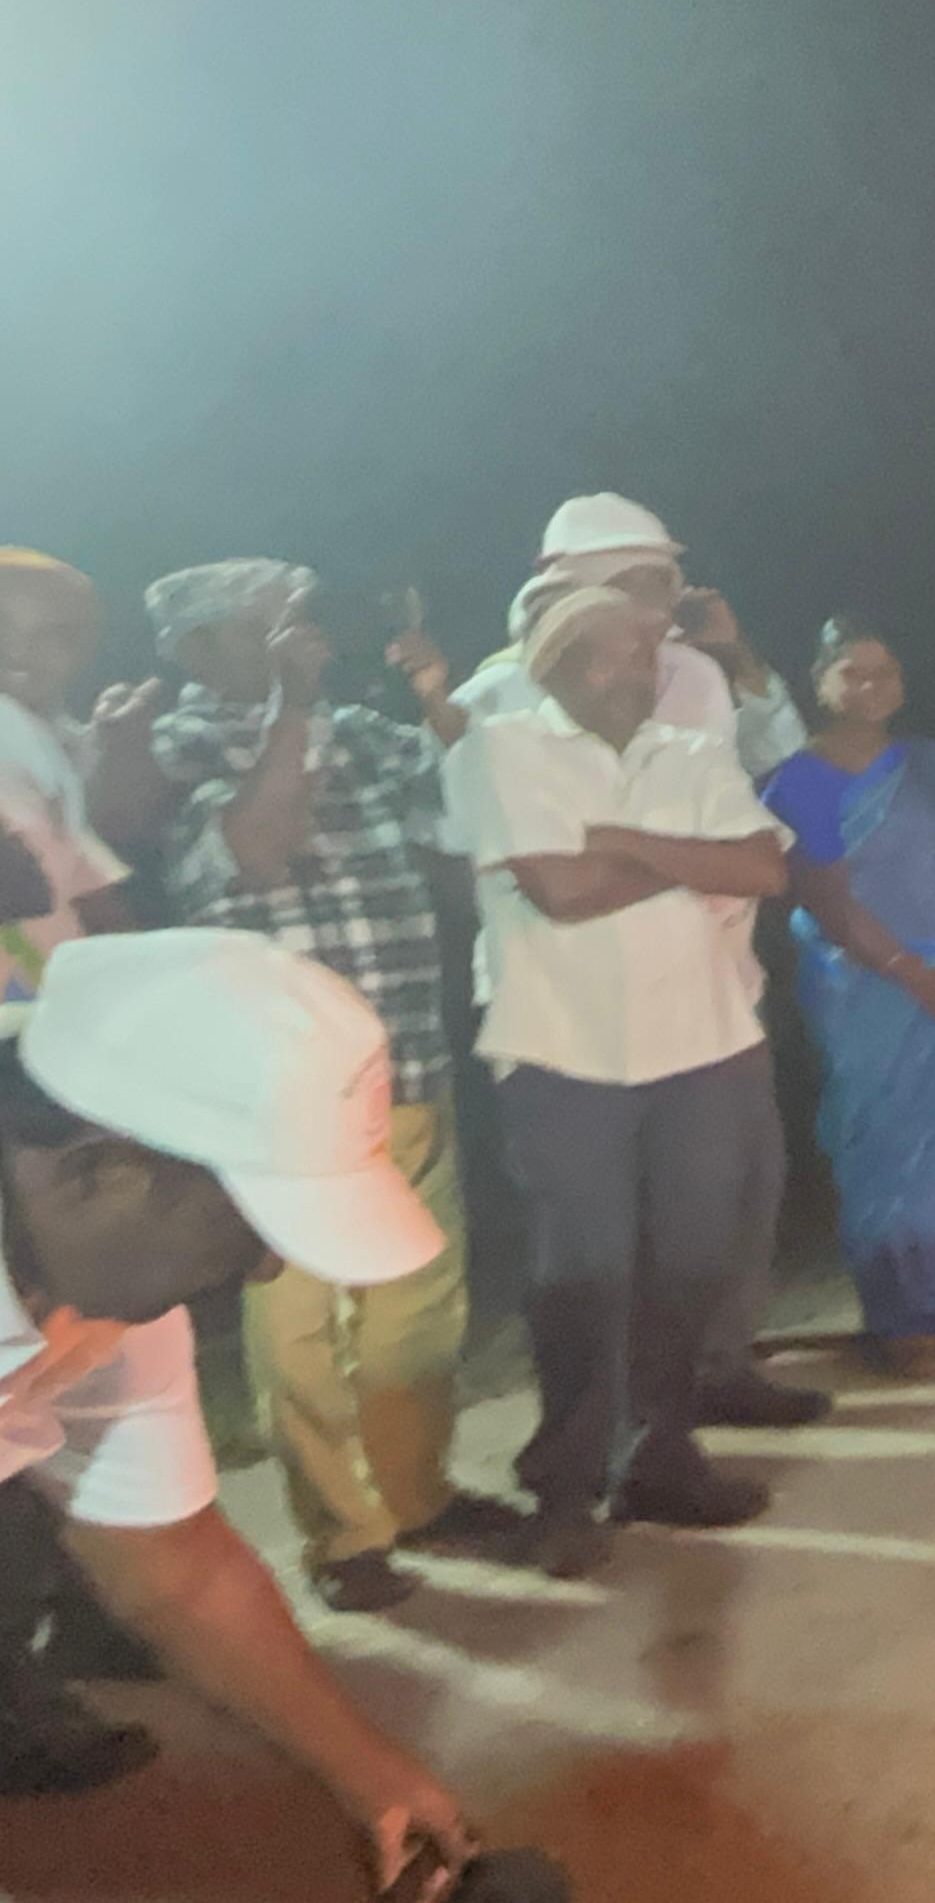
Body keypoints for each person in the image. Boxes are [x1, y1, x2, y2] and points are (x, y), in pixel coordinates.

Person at [0, 928, 569, 1897]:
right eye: (253, 1220)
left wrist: (375, 1778)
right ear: (95, 1171)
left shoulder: (110, 1305)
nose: (270, 1267)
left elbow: (177, 1568)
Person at [140, 561, 512, 1613]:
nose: (294, 635)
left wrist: (437, 700)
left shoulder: (362, 730)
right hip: (283, 1085)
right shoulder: (179, 744)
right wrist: (295, 705)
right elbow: (254, 853)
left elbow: (468, 816)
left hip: (407, 1055)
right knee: (299, 1322)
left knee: (415, 1306)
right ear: (197, 647)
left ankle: (418, 1494)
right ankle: (343, 1536)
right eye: (266, 623)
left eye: (296, 619)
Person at [447, 495, 824, 1428]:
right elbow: (544, 880)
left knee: (721, 1213)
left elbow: (767, 811)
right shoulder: (497, 700)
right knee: (590, 1257)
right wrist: (693, 860)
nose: (663, 600)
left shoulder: (691, 672)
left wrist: (632, 845)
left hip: (713, 989)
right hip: (569, 1014)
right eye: (641, 579)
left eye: (666, 580)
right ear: (569, 583)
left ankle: (705, 1389)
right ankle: (584, 1447)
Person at [758, 620, 935, 1377]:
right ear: (820, 683)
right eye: (852, 673)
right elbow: (826, 897)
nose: (871, 686)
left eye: (884, 672)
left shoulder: (932, 766)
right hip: (871, 992)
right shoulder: (798, 781)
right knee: (890, 1150)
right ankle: (902, 1317)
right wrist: (914, 973)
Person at [450, 494, 807, 780]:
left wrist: (738, 659)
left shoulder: (695, 674)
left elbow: (778, 756)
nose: (648, 608)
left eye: (657, 585)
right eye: (625, 587)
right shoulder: (499, 689)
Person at [0, 549, 151, 949]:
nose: (18, 650)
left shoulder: (63, 743)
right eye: (1, 625)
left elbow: (91, 868)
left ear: (85, 650)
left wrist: (118, 748)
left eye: (52, 634)